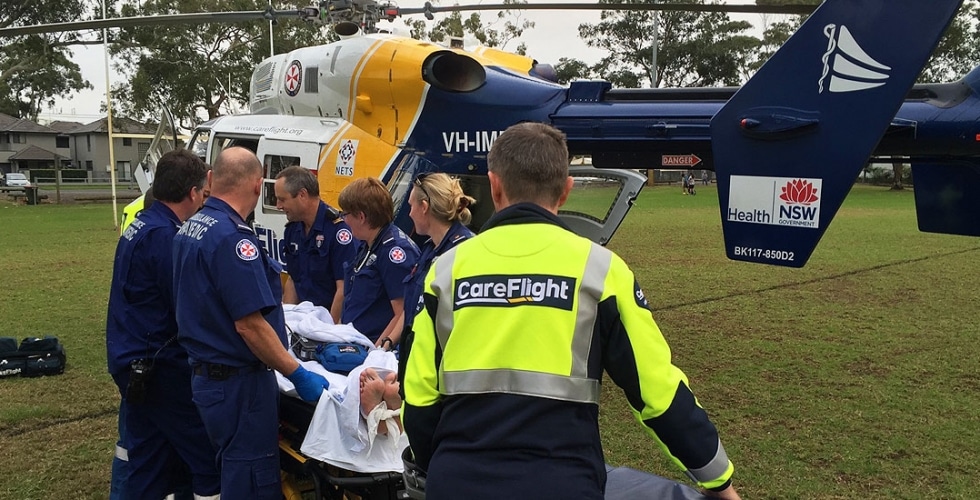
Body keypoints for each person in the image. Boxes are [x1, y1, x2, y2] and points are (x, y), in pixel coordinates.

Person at [403, 122, 740, 500]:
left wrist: (445, 465)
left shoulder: (444, 272)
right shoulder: (601, 270)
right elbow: (658, 391)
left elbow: (417, 397)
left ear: (494, 186)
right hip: (562, 482)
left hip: (458, 481)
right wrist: (719, 480)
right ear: (566, 190)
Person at [172, 146, 331, 499]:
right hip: (237, 385)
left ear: (211, 180)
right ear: (258, 186)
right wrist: (296, 372)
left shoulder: (192, 227)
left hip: (209, 378)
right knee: (251, 482)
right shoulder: (232, 239)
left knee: (231, 470)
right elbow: (249, 325)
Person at [105, 149, 219, 500]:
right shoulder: (166, 237)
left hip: (133, 357)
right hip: (159, 365)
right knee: (204, 455)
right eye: (203, 192)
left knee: (149, 456)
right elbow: (185, 307)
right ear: (194, 193)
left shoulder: (143, 222)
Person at [395, 172, 475, 372]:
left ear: (424, 207)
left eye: (412, 205)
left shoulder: (464, 252)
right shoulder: (430, 249)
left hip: (440, 366)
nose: (409, 213)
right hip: (417, 359)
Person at [337, 177, 420, 346]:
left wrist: (376, 353)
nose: (343, 220)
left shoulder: (394, 252)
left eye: (345, 214)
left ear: (361, 217)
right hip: (351, 342)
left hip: (370, 350)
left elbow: (403, 313)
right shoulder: (366, 245)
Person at [274, 166, 356, 322]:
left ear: (302, 195)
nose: (278, 205)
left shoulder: (338, 231)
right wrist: (287, 320)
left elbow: (343, 289)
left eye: (282, 199)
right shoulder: (293, 229)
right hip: (303, 322)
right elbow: (293, 279)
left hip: (328, 322)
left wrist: (328, 331)